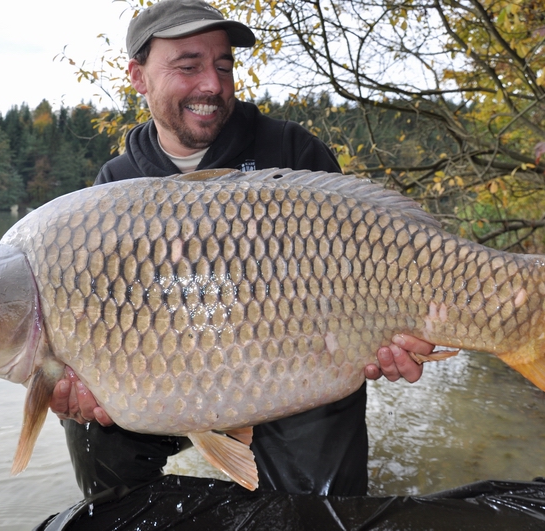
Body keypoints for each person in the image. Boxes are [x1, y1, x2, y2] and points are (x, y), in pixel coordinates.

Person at [50, 0, 437, 497]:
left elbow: (366, 273)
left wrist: (390, 335)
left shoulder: (293, 153)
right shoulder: (116, 185)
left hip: (296, 375)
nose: (212, 84)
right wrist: (81, 383)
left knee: (315, 498)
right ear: (138, 76)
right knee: (90, 428)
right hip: (171, 384)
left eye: (223, 65)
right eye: (189, 66)